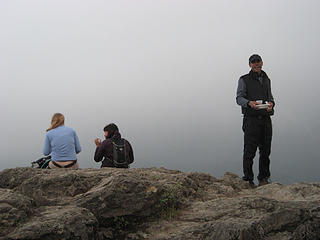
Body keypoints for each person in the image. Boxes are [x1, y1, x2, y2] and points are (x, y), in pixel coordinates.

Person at [236, 54, 275, 186]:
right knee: (249, 150)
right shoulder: (244, 79)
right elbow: (238, 98)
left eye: (258, 61)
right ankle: (248, 179)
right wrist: (249, 103)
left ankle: (263, 178)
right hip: (251, 119)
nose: (256, 64)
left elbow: (271, 97)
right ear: (250, 65)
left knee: (265, 151)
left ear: (262, 62)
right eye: (253, 62)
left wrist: (271, 105)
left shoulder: (266, 79)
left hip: (265, 119)